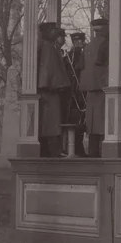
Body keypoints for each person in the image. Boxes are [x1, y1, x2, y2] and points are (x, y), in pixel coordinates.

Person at [36, 22, 72, 158]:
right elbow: (49, 70)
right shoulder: (48, 48)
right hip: (51, 89)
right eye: (53, 31)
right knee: (53, 122)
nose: (55, 34)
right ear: (47, 32)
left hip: (49, 88)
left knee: (49, 122)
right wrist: (60, 85)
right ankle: (54, 151)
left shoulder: (46, 46)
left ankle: (51, 150)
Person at [79, 18, 108, 157]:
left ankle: (92, 153)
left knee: (92, 125)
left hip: (91, 90)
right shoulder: (108, 44)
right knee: (104, 124)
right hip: (104, 89)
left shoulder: (88, 46)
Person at [67, 31, 88, 156]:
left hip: (83, 91)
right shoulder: (70, 56)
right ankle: (76, 148)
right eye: (75, 41)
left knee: (83, 120)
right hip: (74, 93)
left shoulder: (86, 54)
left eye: (80, 41)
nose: (78, 43)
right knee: (75, 120)